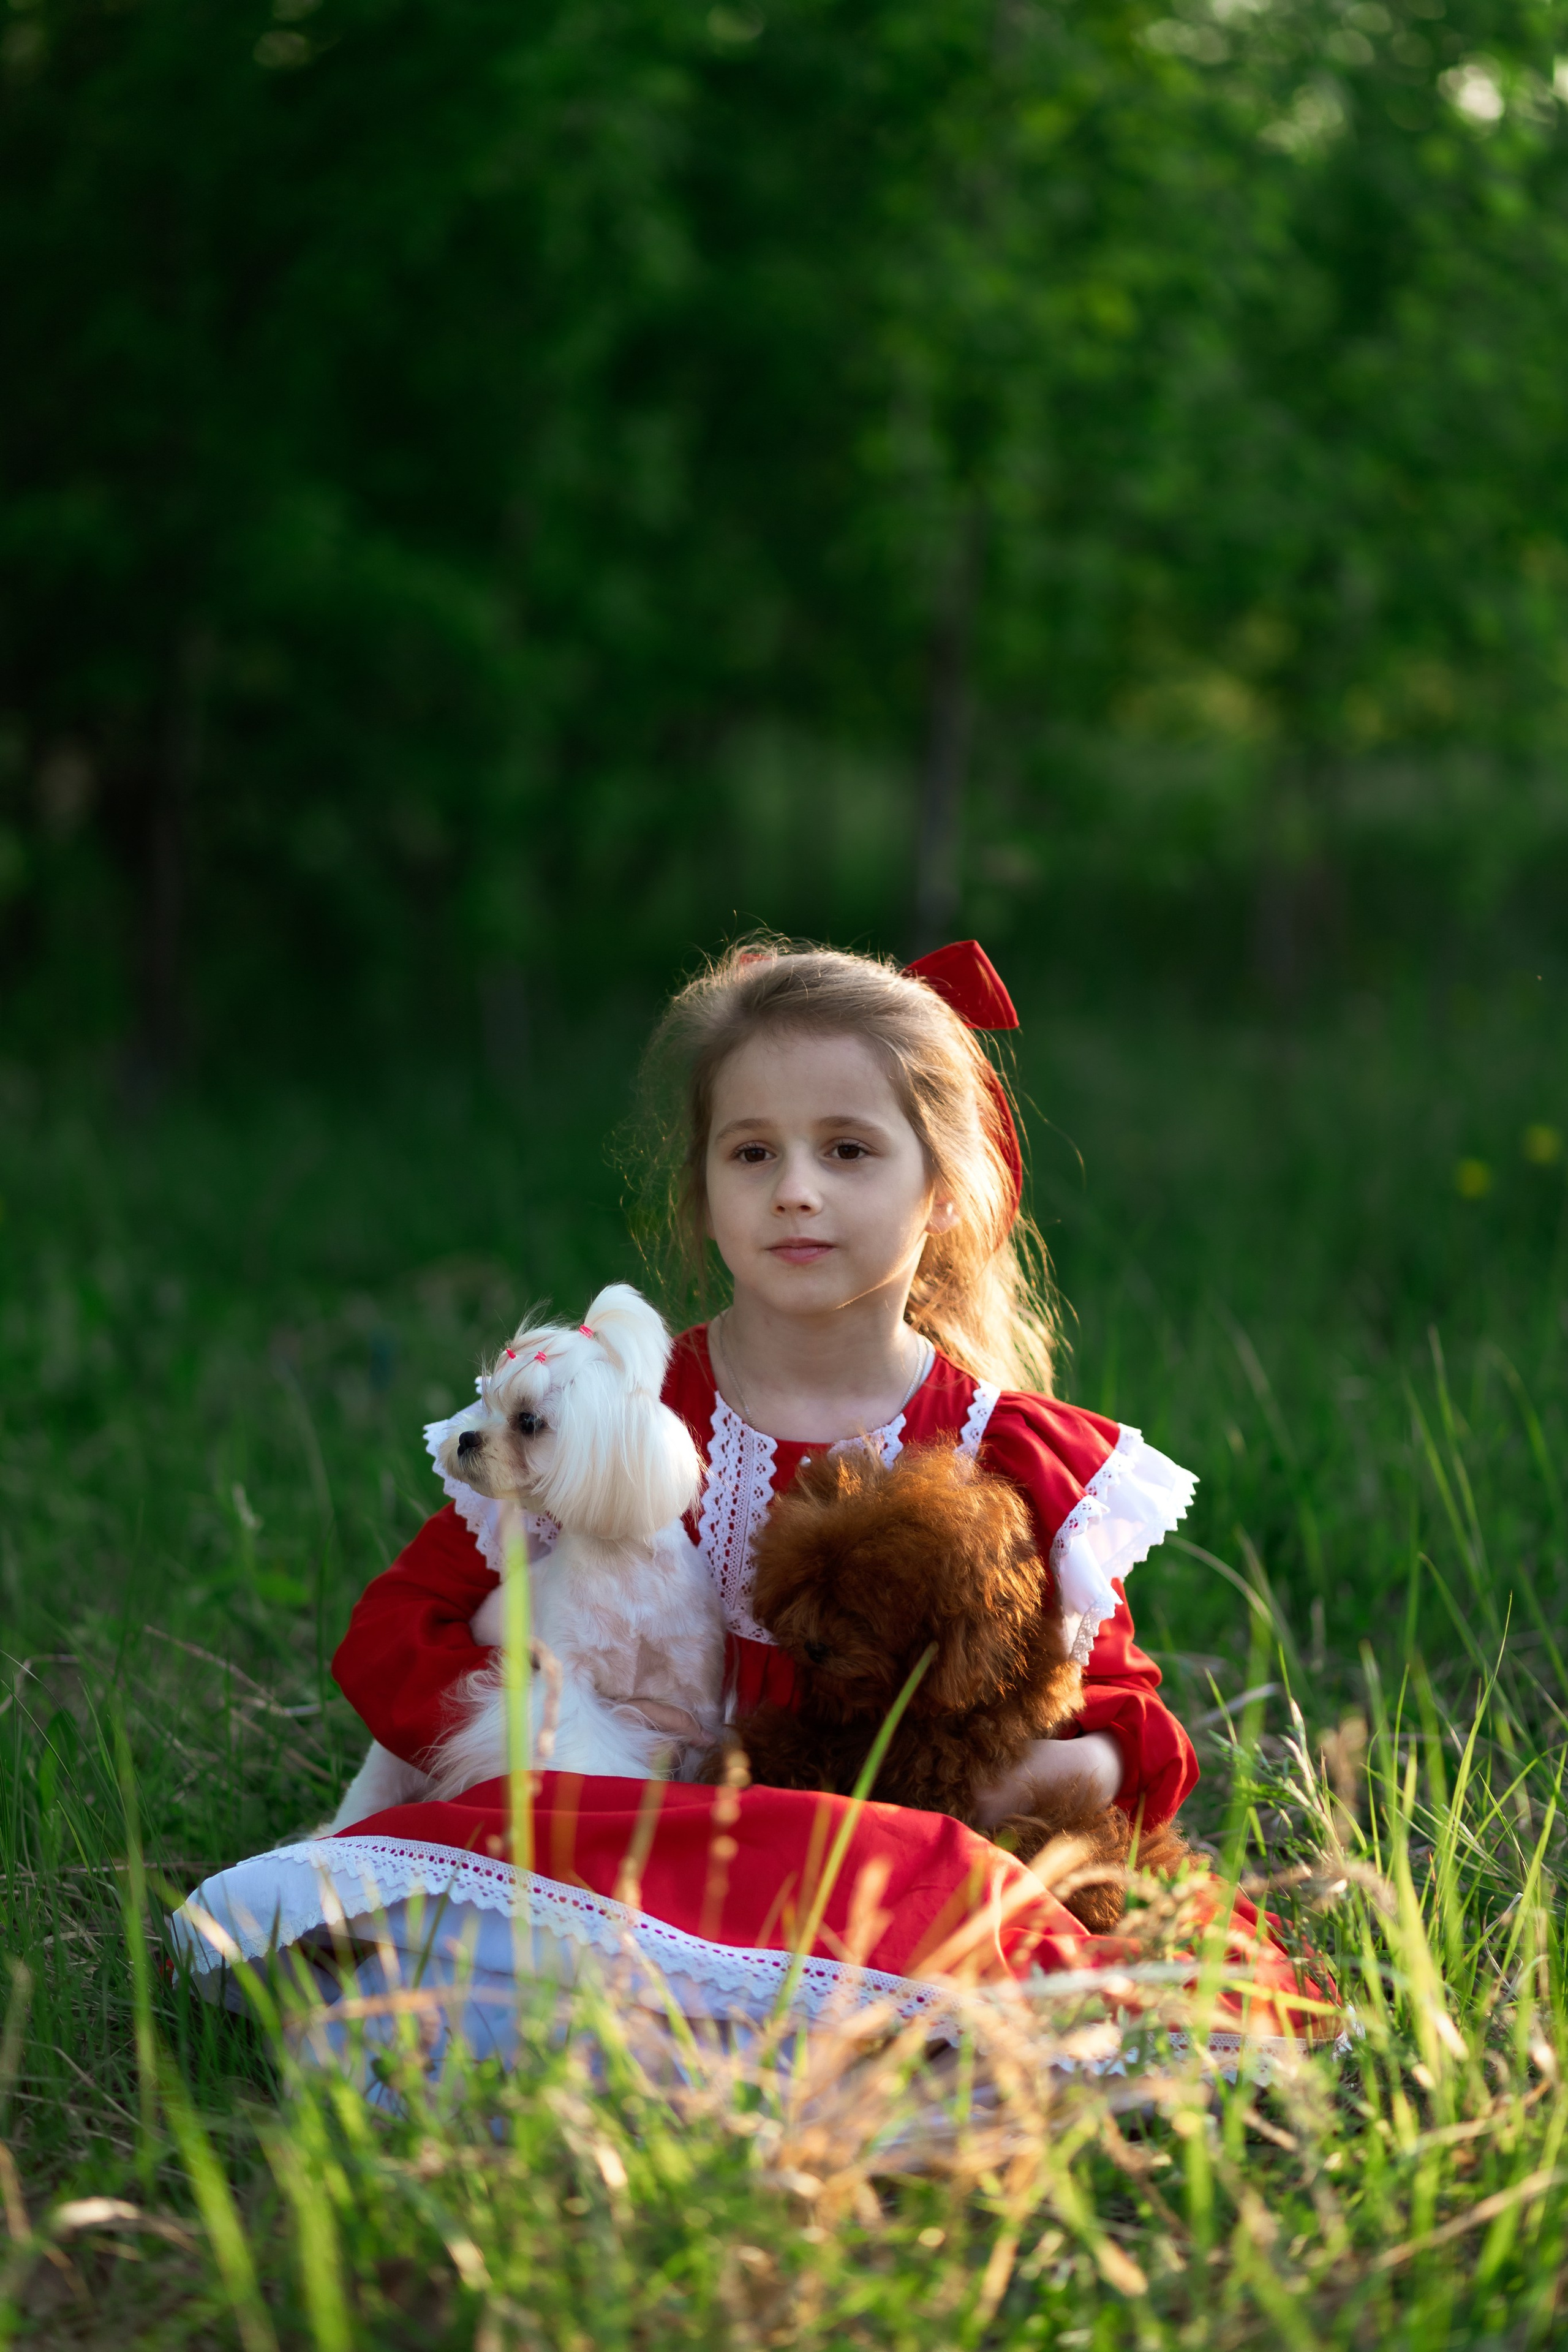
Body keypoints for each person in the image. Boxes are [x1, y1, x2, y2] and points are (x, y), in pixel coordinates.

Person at [175, 942, 1330, 2057]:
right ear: (704, 1189)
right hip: (625, 1846)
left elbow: (1119, 1724)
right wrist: (550, 1743)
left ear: (942, 1190)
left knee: (1047, 1981)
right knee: (468, 1971)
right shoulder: (621, 1410)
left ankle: (838, 2048)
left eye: (848, 1151)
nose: (795, 1193)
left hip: (891, 1874)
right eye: (752, 1154)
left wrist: (1016, 1784)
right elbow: (398, 1631)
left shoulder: (1005, 1452)